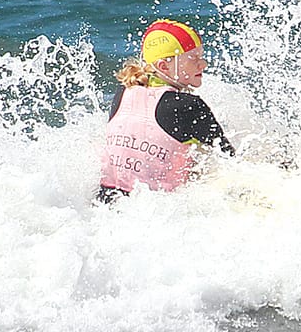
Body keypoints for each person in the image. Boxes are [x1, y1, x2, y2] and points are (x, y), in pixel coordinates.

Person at [97, 19, 235, 199]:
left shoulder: (124, 91)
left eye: (201, 56)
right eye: (194, 58)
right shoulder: (189, 105)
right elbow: (230, 159)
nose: (203, 64)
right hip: (157, 209)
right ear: (163, 66)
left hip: (103, 202)